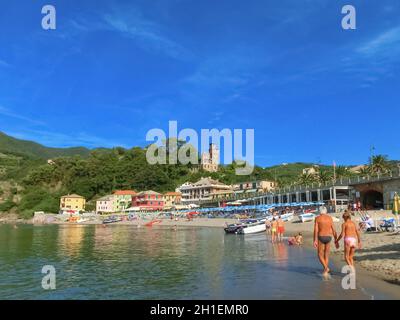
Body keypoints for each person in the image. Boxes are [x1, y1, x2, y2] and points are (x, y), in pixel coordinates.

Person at [313, 206, 338, 276]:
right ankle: (326, 271)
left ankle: (326, 268)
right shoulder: (330, 218)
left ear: (320, 211)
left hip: (321, 236)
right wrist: (336, 240)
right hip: (329, 237)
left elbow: (316, 230)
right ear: (326, 211)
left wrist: (315, 240)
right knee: (326, 255)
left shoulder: (317, 218)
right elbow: (334, 230)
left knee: (320, 254)